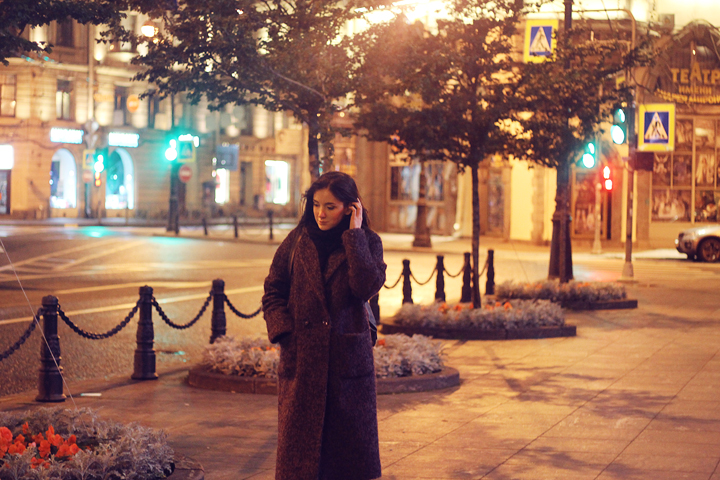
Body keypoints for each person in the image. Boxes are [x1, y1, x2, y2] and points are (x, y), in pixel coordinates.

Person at [262, 171, 386, 480]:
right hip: (303, 360)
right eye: (316, 204)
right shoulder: (297, 240)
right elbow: (273, 289)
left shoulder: (368, 241)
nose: (320, 213)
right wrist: (284, 333)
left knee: (346, 462)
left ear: (350, 207)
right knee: (301, 461)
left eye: (330, 207)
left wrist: (354, 236)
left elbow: (365, 287)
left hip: (346, 362)